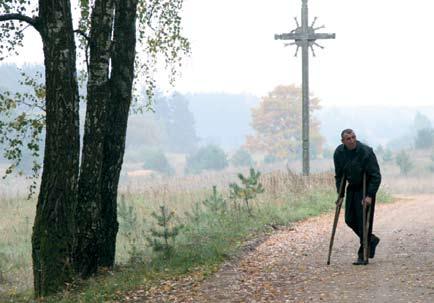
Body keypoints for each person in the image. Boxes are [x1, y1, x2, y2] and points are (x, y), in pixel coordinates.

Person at [333, 129, 382, 265]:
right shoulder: (339, 153)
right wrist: (340, 194)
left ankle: (363, 254)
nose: (352, 140)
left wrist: (370, 195)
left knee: (363, 221)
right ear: (343, 141)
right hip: (352, 188)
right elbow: (339, 176)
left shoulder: (366, 151)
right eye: (348, 139)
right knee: (349, 219)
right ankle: (370, 240)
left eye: (353, 137)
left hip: (365, 189)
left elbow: (376, 176)